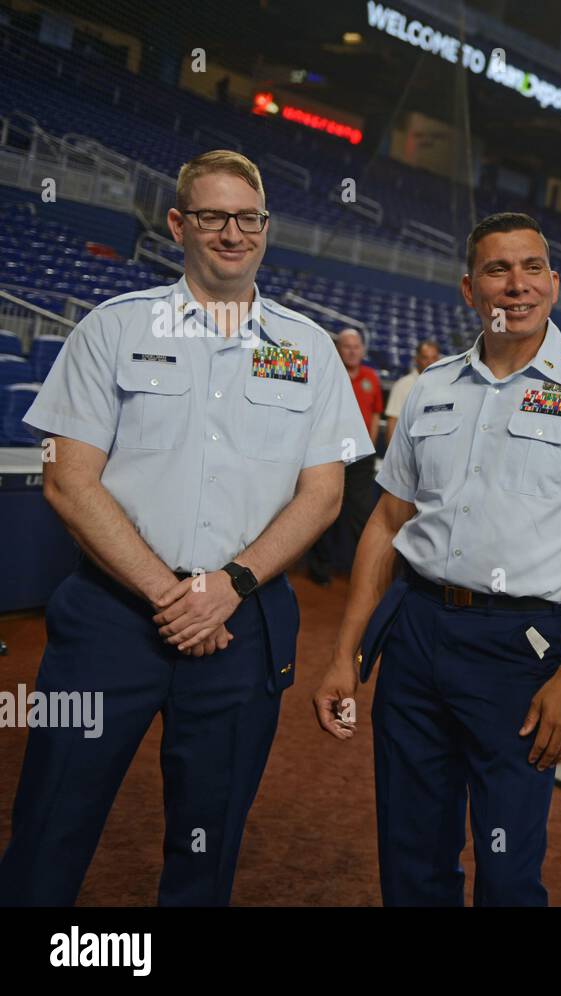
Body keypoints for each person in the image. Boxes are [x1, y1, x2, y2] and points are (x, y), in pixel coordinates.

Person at [0, 149, 372, 906]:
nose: (231, 233)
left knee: (208, 842)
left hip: (244, 625)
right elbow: (69, 480)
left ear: (266, 228)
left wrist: (227, 586)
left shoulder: (310, 350)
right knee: (50, 823)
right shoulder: (112, 327)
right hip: (113, 618)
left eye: (247, 218)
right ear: (178, 224)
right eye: (211, 216)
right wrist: (175, 596)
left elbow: (323, 495)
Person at [311, 212, 561, 906]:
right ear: (470, 288)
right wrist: (346, 652)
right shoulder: (429, 389)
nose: (516, 284)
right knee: (411, 853)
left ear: (554, 284)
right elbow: (385, 523)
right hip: (415, 635)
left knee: (507, 870)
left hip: (520, 649)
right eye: (498, 270)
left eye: (532, 268)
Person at [306, 328, 382, 583]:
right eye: (346, 346)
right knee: (322, 510)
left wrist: (368, 446)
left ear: (362, 349)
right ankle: (320, 568)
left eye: (356, 346)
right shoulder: (328, 374)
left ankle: (356, 569)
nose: (351, 351)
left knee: (359, 513)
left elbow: (374, 415)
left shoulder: (372, 377)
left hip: (361, 457)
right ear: (339, 349)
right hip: (330, 453)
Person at [384, 338, 441, 447]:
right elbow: (392, 421)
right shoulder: (402, 385)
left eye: (434, 358)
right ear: (416, 359)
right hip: (408, 449)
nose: (430, 362)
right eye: (425, 358)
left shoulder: (446, 385)